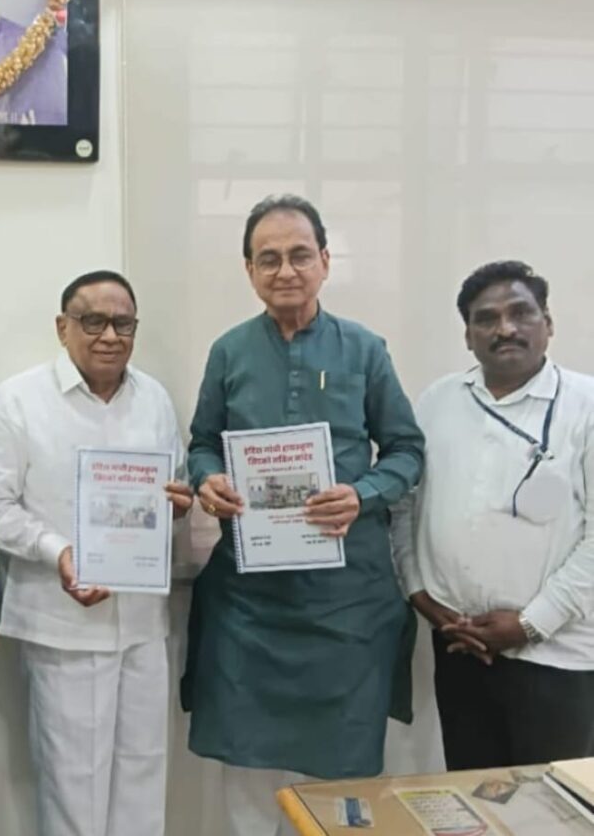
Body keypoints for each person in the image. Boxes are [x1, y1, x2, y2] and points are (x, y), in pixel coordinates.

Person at [181, 195, 425, 836]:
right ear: (249, 270)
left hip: (346, 602)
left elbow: (407, 451)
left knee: (341, 779)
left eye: (298, 255)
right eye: (268, 259)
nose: (284, 270)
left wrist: (363, 494)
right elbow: (202, 442)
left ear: (324, 261)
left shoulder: (364, 350)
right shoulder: (229, 352)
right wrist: (207, 479)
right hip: (250, 603)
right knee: (247, 769)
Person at [0, 269, 193, 836]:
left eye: (123, 323)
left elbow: (175, 484)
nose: (110, 335)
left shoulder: (154, 398)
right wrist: (59, 551)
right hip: (61, 623)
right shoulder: (19, 399)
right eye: (93, 321)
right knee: (74, 786)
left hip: (142, 621)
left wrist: (177, 502)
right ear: (62, 326)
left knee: (144, 776)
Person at [391, 260, 594, 769]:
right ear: (468, 336)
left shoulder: (586, 405)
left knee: (554, 803)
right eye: (486, 318)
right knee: (472, 796)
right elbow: (406, 505)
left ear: (548, 323)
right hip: (460, 648)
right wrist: (420, 594)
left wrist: (529, 624)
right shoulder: (438, 401)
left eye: (520, 312)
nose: (505, 328)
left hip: (557, 655)